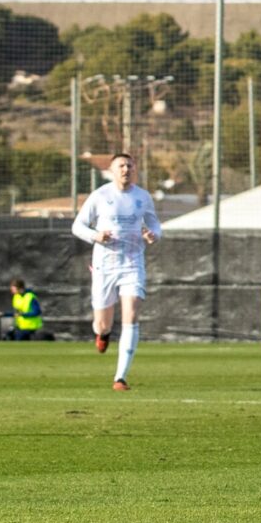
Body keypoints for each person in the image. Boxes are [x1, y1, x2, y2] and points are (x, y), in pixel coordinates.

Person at [72, 152, 160, 389]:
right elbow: (77, 226)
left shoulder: (143, 197)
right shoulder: (100, 196)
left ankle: (120, 377)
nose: (126, 169)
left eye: (130, 165)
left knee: (131, 313)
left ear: (135, 169)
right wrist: (96, 235)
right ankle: (102, 334)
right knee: (103, 324)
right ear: (112, 171)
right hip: (104, 266)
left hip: (132, 264)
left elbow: (154, 224)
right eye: (121, 166)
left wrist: (153, 234)